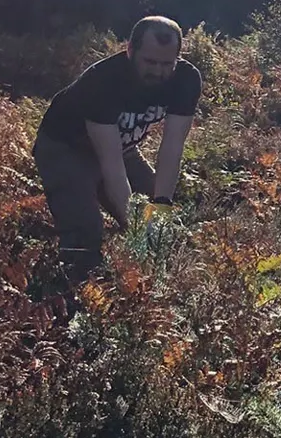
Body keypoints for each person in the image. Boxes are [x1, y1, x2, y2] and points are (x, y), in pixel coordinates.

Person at [33, 16, 203, 285]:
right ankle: (75, 290)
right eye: (150, 62)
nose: (158, 72)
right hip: (66, 149)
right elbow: (110, 166)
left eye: (166, 64)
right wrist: (138, 229)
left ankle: (158, 286)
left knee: (162, 229)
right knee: (86, 232)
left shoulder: (186, 80)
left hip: (123, 147)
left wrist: (160, 208)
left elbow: (172, 147)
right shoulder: (102, 83)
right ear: (130, 50)